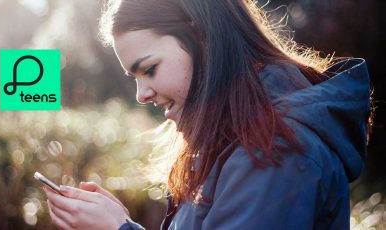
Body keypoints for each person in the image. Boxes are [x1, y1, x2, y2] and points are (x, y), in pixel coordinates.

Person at [43, 0, 371, 229]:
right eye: (135, 79)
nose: (142, 95)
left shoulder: (276, 149)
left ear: (201, 37)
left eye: (150, 69)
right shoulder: (236, 137)